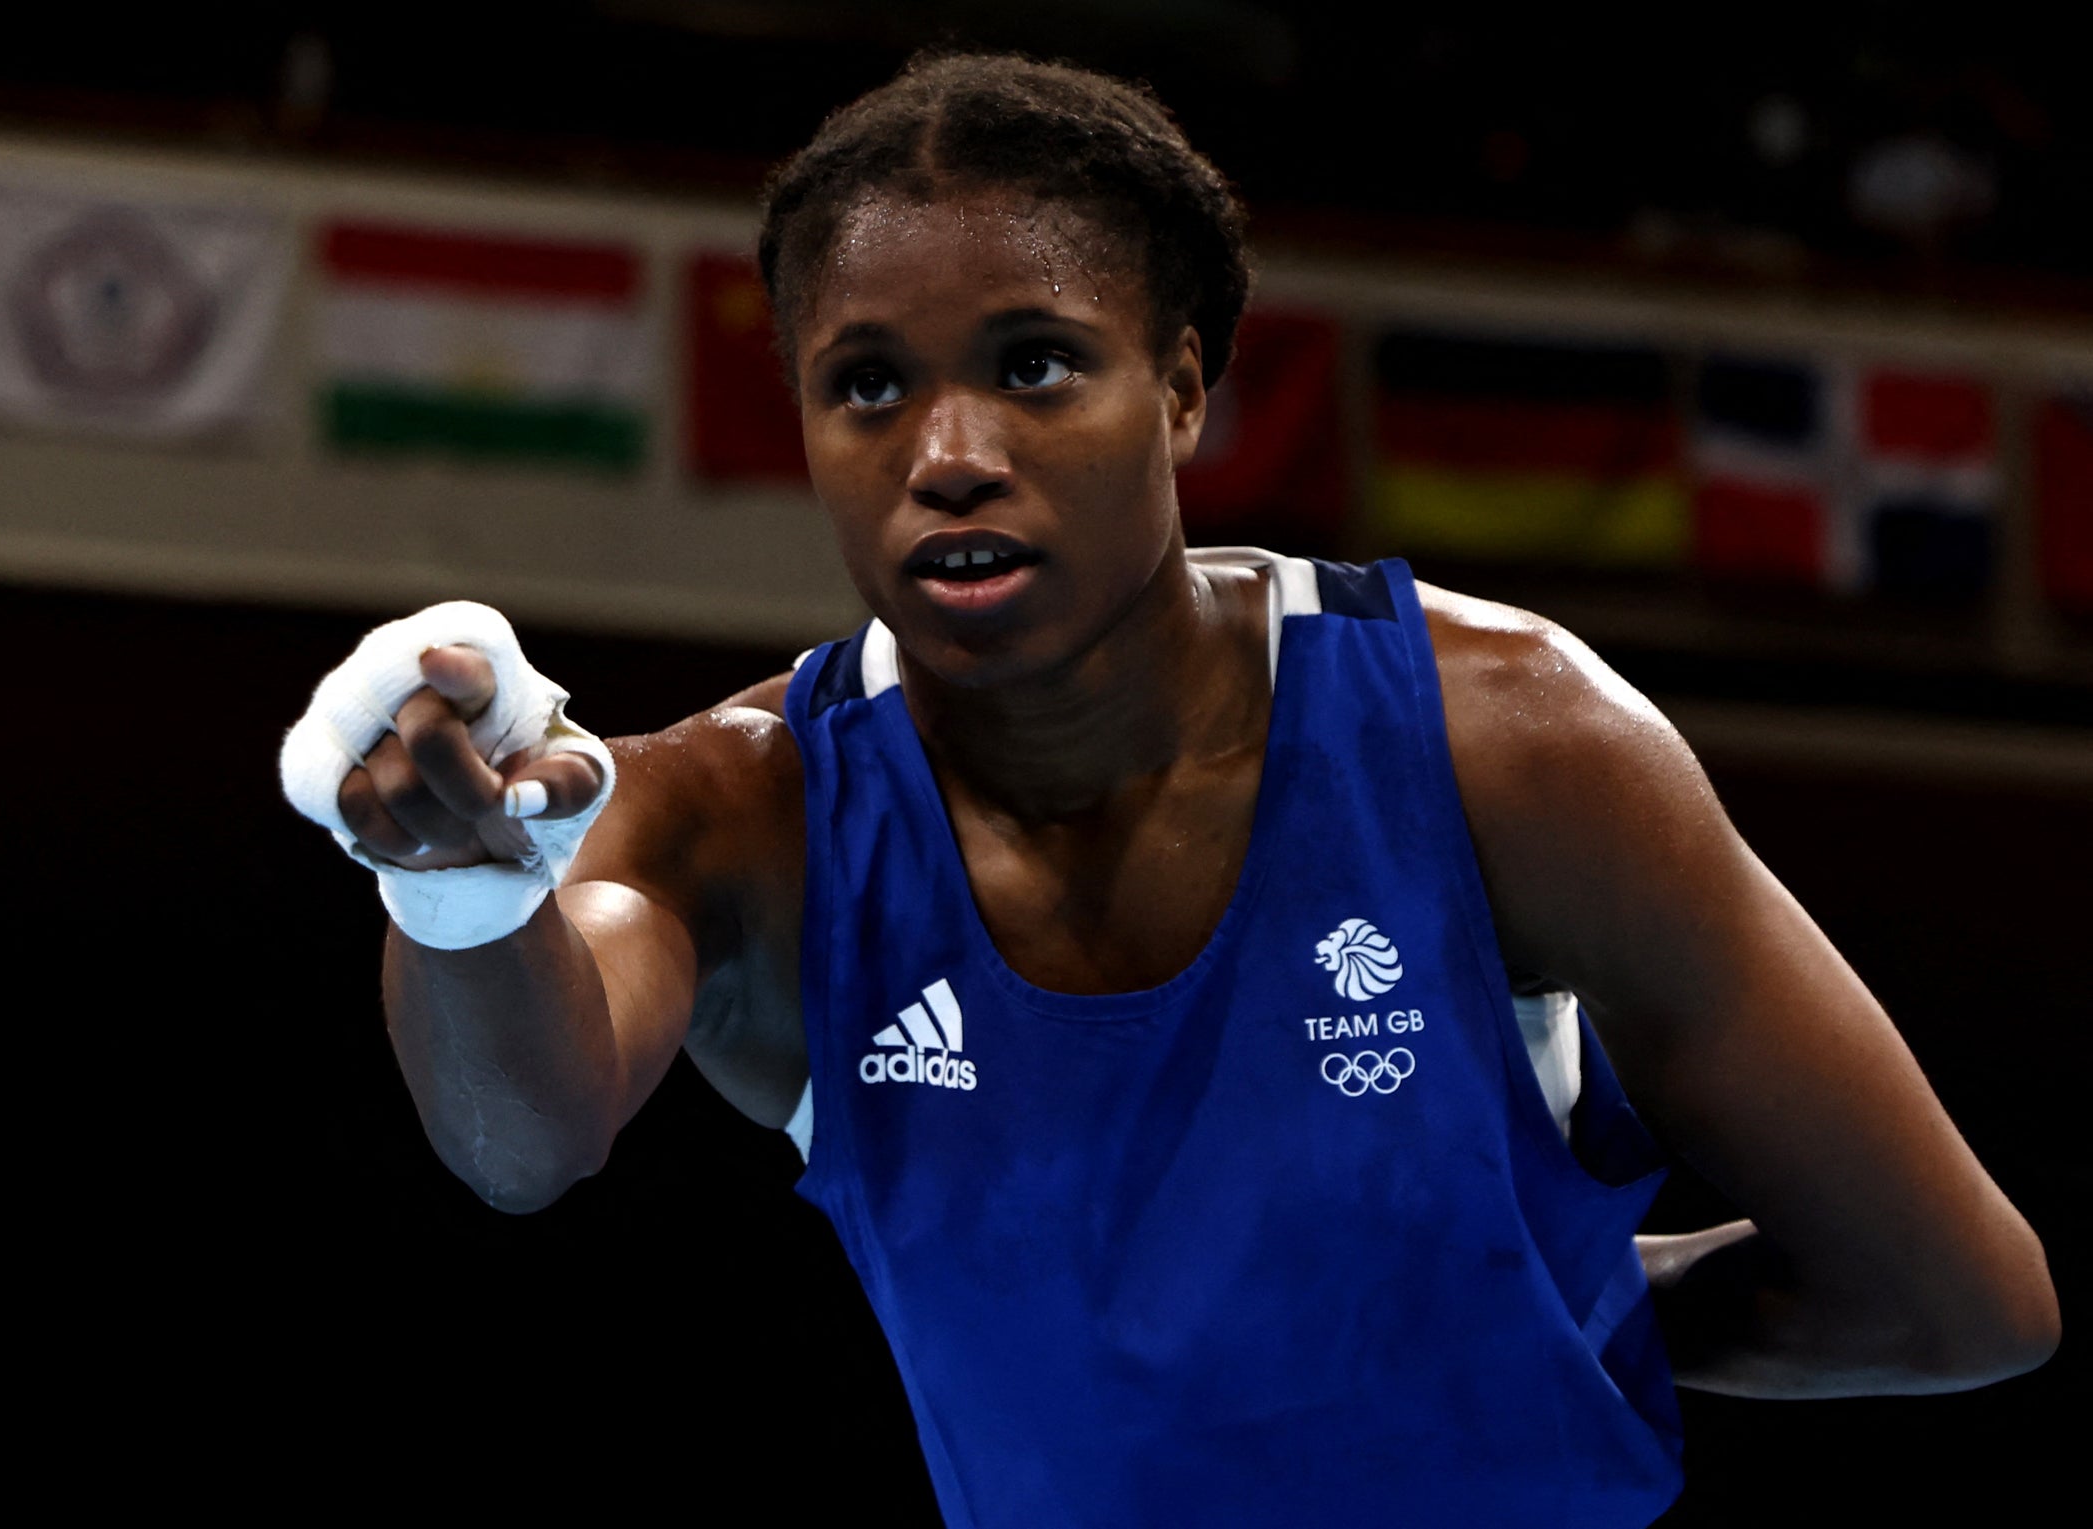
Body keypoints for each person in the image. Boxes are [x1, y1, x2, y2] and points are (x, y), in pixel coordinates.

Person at [279, 53, 2058, 1528]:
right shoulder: (742, 811)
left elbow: (1957, 1296)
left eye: (1033, 364)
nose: (948, 454)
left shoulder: (1510, 743)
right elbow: (523, 1141)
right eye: (867, 386)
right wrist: (457, 891)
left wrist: (1584, 1299)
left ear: (1186, 385)